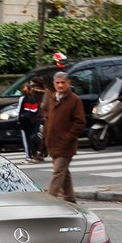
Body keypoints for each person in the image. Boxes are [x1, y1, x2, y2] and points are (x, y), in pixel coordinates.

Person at [43, 71, 86, 204]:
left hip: (66, 144)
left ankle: (50, 200)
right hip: (53, 142)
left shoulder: (74, 100)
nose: (60, 85)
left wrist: (68, 137)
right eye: (58, 83)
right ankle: (70, 200)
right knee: (64, 174)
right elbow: (48, 118)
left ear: (69, 83)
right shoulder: (52, 98)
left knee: (58, 172)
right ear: (54, 84)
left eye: (63, 83)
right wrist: (46, 136)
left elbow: (80, 122)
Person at [17, 82, 39, 164]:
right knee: (30, 138)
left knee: (25, 140)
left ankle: (28, 157)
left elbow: (19, 110)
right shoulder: (33, 99)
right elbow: (35, 110)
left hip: (24, 122)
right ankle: (32, 153)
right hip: (32, 121)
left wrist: (18, 120)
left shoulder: (22, 98)